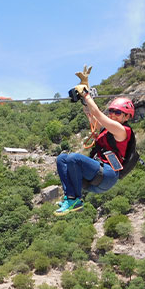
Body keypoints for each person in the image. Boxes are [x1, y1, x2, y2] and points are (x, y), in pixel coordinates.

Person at [55, 66, 135, 215]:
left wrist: (85, 93)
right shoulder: (105, 129)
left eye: (118, 112)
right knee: (62, 159)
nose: (113, 115)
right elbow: (92, 114)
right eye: (111, 111)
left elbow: (98, 114)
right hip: (95, 176)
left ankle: (75, 200)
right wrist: (86, 86)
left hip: (108, 174)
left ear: (127, 116)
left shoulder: (122, 131)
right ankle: (70, 198)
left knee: (74, 158)